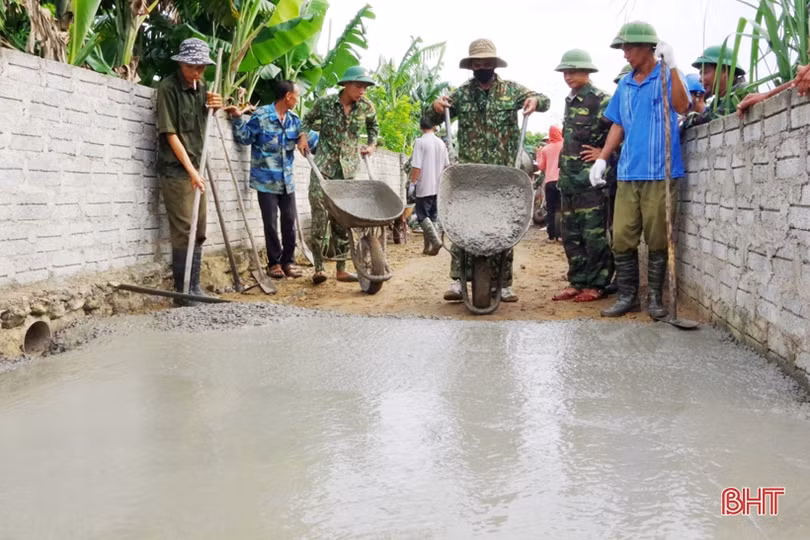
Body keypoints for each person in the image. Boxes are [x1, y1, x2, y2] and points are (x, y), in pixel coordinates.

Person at [427, 38, 550, 303]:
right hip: (470, 174)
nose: (481, 66)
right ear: (471, 65)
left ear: (494, 64)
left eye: (486, 62)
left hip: (503, 172)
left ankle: (504, 283)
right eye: (477, 63)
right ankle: (458, 281)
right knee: (463, 223)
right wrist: (435, 108)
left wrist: (534, 101)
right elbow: (428, 120)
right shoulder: (461, 94)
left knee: (505, 226)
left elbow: (544, 98)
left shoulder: (511, 90)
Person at [589, 21, 690, 319]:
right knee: (621, 237)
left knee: (658, 238)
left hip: (660, 172)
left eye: (629, 47)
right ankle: (628, 296)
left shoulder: (667, 76)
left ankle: (656, 299)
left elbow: (683, 106)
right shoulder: (626, 84)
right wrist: (603, 158)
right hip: (628, 172)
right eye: (622, 48)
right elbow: (618, 123)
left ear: (648, 48)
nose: (624, 54)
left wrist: (672, 66)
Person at [297, 66, 379, 285]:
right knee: (319, 217)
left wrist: (371, 145)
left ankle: (342, 268)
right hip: (322, 168)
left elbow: (374, 127)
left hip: (348, 172)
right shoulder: (325, 103)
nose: (362, 91)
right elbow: (305, 120)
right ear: (346, 85)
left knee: (343, 220)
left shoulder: (366, 107)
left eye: (365, 87)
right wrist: (302, 137)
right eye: (359, 86)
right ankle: (319, 268)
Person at [156, 38, 223, 305]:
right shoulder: (168, 88)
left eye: (201, 68)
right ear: (181, 63)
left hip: (197, 166)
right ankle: (182, 294)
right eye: (192, 67)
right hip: (177, 171)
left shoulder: (202, 88)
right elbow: (171, 134)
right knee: (185, 228)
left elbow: (203, 126)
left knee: (200, 229)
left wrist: (214, 109)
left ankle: (194, 287)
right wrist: (192, 171)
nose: (197, 73)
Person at [551, 49, 614, 303]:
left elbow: (621, 132)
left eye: (573, 71)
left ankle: (597, 285)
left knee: (593, 235)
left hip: (591, 183)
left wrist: (603, 154)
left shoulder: (602, 100)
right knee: (571, 235)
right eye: (565, 72)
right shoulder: (570, 101)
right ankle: (577, 282)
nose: (568, 76)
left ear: (587, 72)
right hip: (568, 182)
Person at [226, 80, 303, 280]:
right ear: (287, 96)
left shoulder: (294, 120)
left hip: (287, 182)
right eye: (297, 95)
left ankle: (289, 262)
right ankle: (274, 263)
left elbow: (303, 142)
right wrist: (236, 118)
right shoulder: (261, 116)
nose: (298, 99)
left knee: (289, 222)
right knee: (270, 223)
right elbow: (244, 138)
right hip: (265, 181)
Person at [410, 116, 449, 255]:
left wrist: (412, 184)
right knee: (432, 216)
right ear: (434, 127)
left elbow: (416, 166)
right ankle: (427, 248)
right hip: (438, 186)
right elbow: (447, 166)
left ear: (421, 127)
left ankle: (436, 241)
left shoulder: (420, 142)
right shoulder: (441, 143)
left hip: (424, 185)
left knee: (421, 216)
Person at [682, 45, 747, 129]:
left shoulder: (742, 91)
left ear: (726, 71)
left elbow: (710, 118)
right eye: (700, 74)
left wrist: (690, 121)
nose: (700, 79)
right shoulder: (718, 101)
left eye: (705, 72)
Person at [536, 125, 562, 242]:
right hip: (563, 181)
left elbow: (541, 167)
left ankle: (551, 236)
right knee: (563, 208)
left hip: (550, 182)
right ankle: (561, 236)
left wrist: (538, 154)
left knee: (550, 209)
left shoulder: (545, 149)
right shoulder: (565, 146)